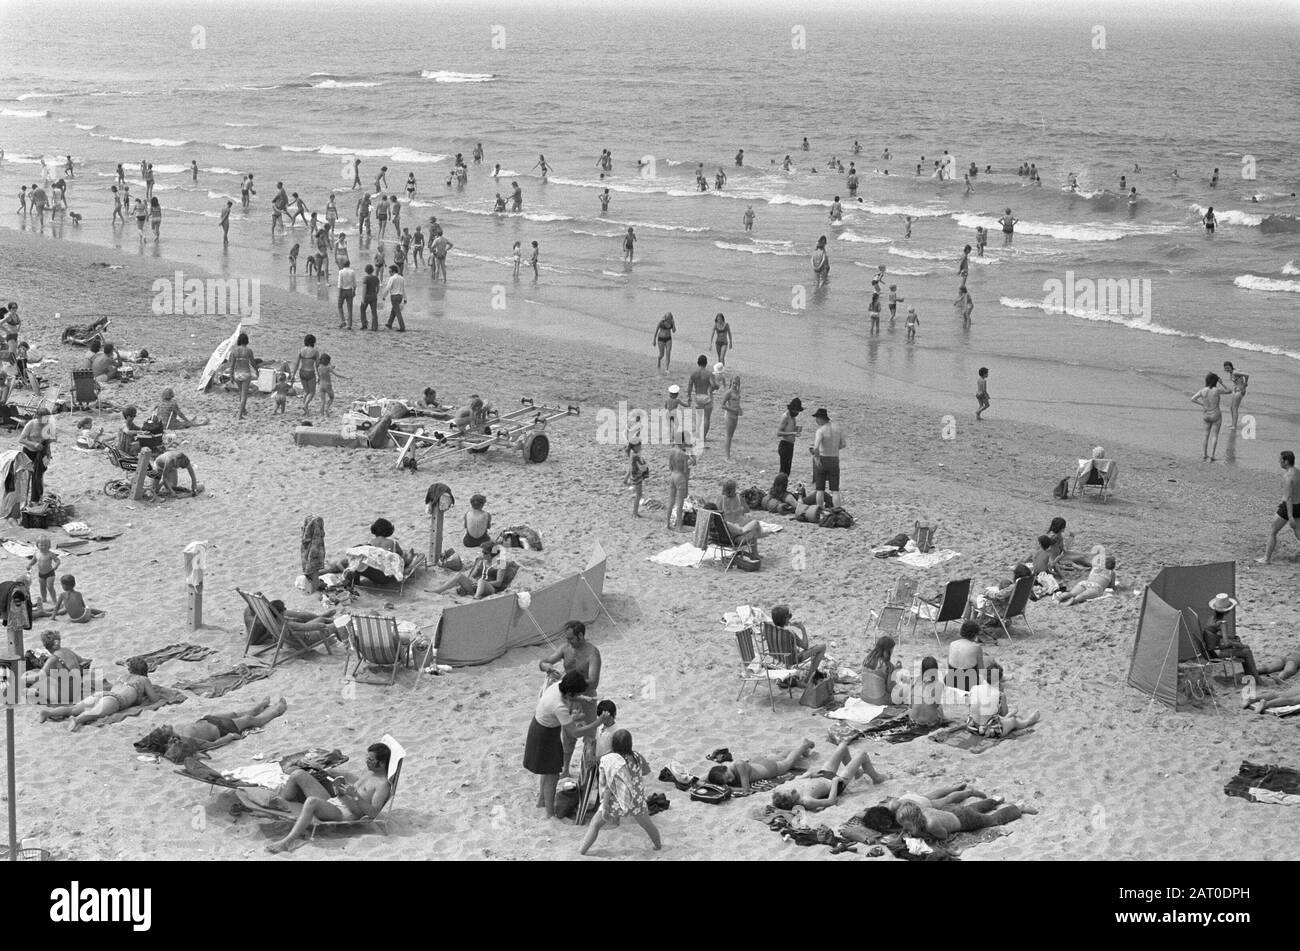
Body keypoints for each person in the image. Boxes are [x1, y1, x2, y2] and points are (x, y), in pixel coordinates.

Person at [267, 740, 393, 853]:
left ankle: (286, 842)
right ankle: (281, 804)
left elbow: (373, 813)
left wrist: (354, 796)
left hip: (343, 813)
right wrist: (341, 789)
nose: (366, 761)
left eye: (370, 760)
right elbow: (358, 790)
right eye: (367, 758)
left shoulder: (383, 785)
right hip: (336, 800)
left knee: (312, 802)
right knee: (298, 774)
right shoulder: (371, 772)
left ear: (381, 763)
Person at [525, 671, 610, 818]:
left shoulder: (560, 685)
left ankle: (541, 800)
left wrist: (584, 698)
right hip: (544, 735)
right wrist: (597, 722)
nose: (577, 696)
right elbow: (575, 732)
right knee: (552, 774)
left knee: (547, 770)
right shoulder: (559, 706)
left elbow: (571, 696)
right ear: (570, 692)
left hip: (544, 728)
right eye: (577, 693)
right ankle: (550, 814)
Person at [579, 729, 662, 855]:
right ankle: (658, 845)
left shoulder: (613, 761)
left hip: (616, 802)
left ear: (613, 745)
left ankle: (582, 851)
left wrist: (605, 807)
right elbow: (646, 771)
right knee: (648, 825)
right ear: (630, 744)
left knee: (595, 824)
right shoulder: (637, 757)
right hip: (636, 801)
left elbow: (609, 787)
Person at [538, 620, 603, 777]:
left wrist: (570, 682)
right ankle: (566, 769)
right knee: (567, 736)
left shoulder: (592, 653)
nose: (569, 642)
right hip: (569, 698)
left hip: (586, 696)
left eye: (571, 638)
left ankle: (588, 772)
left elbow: (593, 681)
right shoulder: (566, 648)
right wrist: (548, 668)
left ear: (580, 635)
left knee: (589, 736)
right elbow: (543, 662)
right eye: (567, 638)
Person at [37, 656, 157, 731]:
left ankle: (48, 713)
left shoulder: (123, 676)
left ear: (130, 669)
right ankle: (77, 720)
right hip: (116, 700)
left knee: (73, 709)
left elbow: (122, 665)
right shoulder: (143, 680)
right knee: (94, 713)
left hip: (102, 693)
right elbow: (154, 699)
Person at [769, 739, 888, 811]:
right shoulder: (806, 801)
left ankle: (856, 773)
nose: (793, 790)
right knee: (862, 755)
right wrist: (836, 782)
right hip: (834, 784)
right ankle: (876, 778)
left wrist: (811, 774)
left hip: (822, 774)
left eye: (790, 790)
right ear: (792, 801)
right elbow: (831, 801)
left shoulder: (788, 789)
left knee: (843, 746)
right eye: (792, 793)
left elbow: (801, 777)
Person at [890, 792, 1036, 840]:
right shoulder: (921, 811)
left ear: (914, 820)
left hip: (965, 821)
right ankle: (995, 800)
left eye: (906, 825)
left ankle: (1019, 808)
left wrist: (921, 835)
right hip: (954, 811)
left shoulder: (930, 824)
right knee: (974, 808)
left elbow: (943, 836)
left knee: (994, 820)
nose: (904, 828)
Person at [706, 738, 816, 792]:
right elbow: (702, 779)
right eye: (727, 781)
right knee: (781, 756)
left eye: (728, 777)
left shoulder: (739, 766)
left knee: (788, 762)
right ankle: (801, 751)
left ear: (725, 767)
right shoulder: (721, 772)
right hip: (758, 763)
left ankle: (805, 745)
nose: (730, 781)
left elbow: (746, 789)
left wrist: (730, 788)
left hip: (768, 769)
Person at [1202, 594, 1259, 679]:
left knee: (1245, 648)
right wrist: (1237, 644)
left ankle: (1250, 675)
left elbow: (1216, 635)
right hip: (1217, 653)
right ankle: (1256, 678)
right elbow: (1226, 643)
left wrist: (1231, 638)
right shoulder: (1222, 623)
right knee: (1247, 651)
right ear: (1227, 611)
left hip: (1210, 651)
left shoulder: (1211, 619)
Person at [244, 600, 338, 650]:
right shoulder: (287, 624)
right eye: (284, 609)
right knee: (336, 626)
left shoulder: (272, 621)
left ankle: (328, 619)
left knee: (321, 619)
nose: (286, 609)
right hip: (305, 639)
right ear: (280, 613)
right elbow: (305, 627)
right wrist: (321, 626)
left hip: (292, 639)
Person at [431, 540, 513, 598]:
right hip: (475, 586)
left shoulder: (500, 564)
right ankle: (438, 590)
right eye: (482, 552)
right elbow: (471, 575)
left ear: (492, 554)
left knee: (481, 581)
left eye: (485, 553)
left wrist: (482, 582)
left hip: (489, 588)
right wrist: (473, 581)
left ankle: (476, 597)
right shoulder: (481, 560)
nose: (482, 554)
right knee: (459, 576)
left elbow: (498, 583)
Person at [768, 604, 826, 684]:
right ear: (785, 619)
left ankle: (789, 670)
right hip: (793, 659)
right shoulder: (789, 634)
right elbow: (805, 646)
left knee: (791, 648)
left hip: (778, 656)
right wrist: (802, 629)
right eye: (789, 616)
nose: (790, 617)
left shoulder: (768, 629)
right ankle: (808, 678)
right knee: (822, 647)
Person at [1264, 451, 1300, 563]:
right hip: (1299, 506)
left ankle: (1266, 559)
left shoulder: (1288, 476)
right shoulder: (1298, 472)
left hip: (1288, 508)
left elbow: (1288, 498)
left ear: (1286, 461)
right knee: (1298, 532)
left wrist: (1290, 517)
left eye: (1281, 460)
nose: (1279, 462)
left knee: (1273, 531)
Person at [718, 477, 774, 550]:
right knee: (754, 525)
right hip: (738, 529)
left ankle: (756, 546)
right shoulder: (739, 497)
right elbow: (747, 510)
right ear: (733, 489)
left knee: (751, 524)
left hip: (727, 531)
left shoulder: (721, 499)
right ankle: (755, 553)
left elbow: (719, 513)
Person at [809, 407, 845, 507]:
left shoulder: (821, 430)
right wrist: (833, 448)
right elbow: (843, 444)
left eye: (816, 418)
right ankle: (837, 511)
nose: (816, 420)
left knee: (820, 489)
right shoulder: (837, 428)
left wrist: (816, 458)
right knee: (835, 490)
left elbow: (816, 447)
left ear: (821, 418)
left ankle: (820, 510)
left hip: (823, 458)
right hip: (834, 459)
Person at [1191, 372, 1230, 461]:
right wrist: (1222, 383)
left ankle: (1205, 454)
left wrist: (1203, 405)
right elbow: (1229, 391)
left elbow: (1192, 399)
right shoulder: (1216, 390)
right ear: (1215, 381)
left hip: (1206, 414)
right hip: (1216, 414)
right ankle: (1212, 455)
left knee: (1205, 435)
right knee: (1215, 435)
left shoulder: (1203, 390)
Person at [18, 408, 53, 502]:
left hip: (40, 453)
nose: (45, 421)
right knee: (26, 476)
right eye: (43, 419)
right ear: (38, 417)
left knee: (38, 476)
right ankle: (23, 500)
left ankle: (35, 500)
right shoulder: (31, 424)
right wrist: (34, 444)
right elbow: (21, 439)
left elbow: (47, 441)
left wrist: (48, 454)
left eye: (47, 419)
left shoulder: (48, 425)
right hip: (28, 452)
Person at [666, 429, 693, 531]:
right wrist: (691, 462)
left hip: (672, 475)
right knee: (680, 502)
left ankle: (667, 524)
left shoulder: (671, 451)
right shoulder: (683, 454)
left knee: (671, 501)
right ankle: (679, 526)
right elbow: (686, 470)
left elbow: (670, 466)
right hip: (680, 477)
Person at [860, 635, 900, 705]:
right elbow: (890, 688)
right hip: (879, 701)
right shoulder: (888, 666)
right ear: (888, 650)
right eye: (892, 649)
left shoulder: (866, 661)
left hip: (864, 697)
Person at [686, 355, 717, 443]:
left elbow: (689, 387)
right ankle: (703, 437)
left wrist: (689, 397)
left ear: (698, 363)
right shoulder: (709, 374)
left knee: (699, 418)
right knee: (707, 418)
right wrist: (715, 388)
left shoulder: (694, 374)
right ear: (706, 363)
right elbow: (714, 385)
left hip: (698, 397)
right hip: (707, 397)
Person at [226, 332, 256, 419]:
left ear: (239, 340)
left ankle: (244, 410)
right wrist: (257, 370)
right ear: (247, 341)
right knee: (244, 395)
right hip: (245, 374)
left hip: (237, 374)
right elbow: (253, 362)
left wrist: (231, 376)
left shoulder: (234, 351)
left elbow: (232, 365)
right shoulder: (249, 350)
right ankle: (239, 414)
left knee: (241, 393)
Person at [27, 536, 60, 607]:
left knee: (50, 586)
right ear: (37, 545)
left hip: (50, 573)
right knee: (42, 587)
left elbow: (57, 560)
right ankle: (44, 598)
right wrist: (29, 565)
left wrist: (56, 565)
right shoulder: (36, 553)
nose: (43, 547)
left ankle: (54, 600)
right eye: (41, 545)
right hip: (41, 574)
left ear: (49, 546)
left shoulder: (50, 554)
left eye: (46, 545)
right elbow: (33, 561)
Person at [623, 438, 649, 517]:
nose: (640, 447)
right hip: (637, 476)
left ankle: (635, 512)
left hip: (634, 476)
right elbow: (641, 466)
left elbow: (630, 468)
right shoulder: (635, 456)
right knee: (639, 495)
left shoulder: (632, 454)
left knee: (638, 494)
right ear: (635, 447)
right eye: (639, 446)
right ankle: (635, 512)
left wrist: (626, 478)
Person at [720, 376, 743, 459]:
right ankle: (727, 457)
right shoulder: (728, 392)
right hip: (729, 416)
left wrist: (740, 409)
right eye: (733, 383)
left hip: (735, 416)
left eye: (736, 383)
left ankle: (728, 454)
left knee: (731, 436)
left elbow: (737, 403)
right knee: (728, 436)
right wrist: (732, 409)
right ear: (731, 382)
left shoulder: (738, 391)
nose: (734, 384)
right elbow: (722, 405)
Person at [1222, 361, 1248, 430]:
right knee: (1231, 408)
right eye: (1225, 368)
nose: (1227, 369)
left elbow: (1247, 375)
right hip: (1236, 391)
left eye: (1228, 368)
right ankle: (1233, 423)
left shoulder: (1235, 372)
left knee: (1235, 408)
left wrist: (1245, 384)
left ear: (1231, 366)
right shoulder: (1233, 372)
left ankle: (1234, 426)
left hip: (1240, 391)